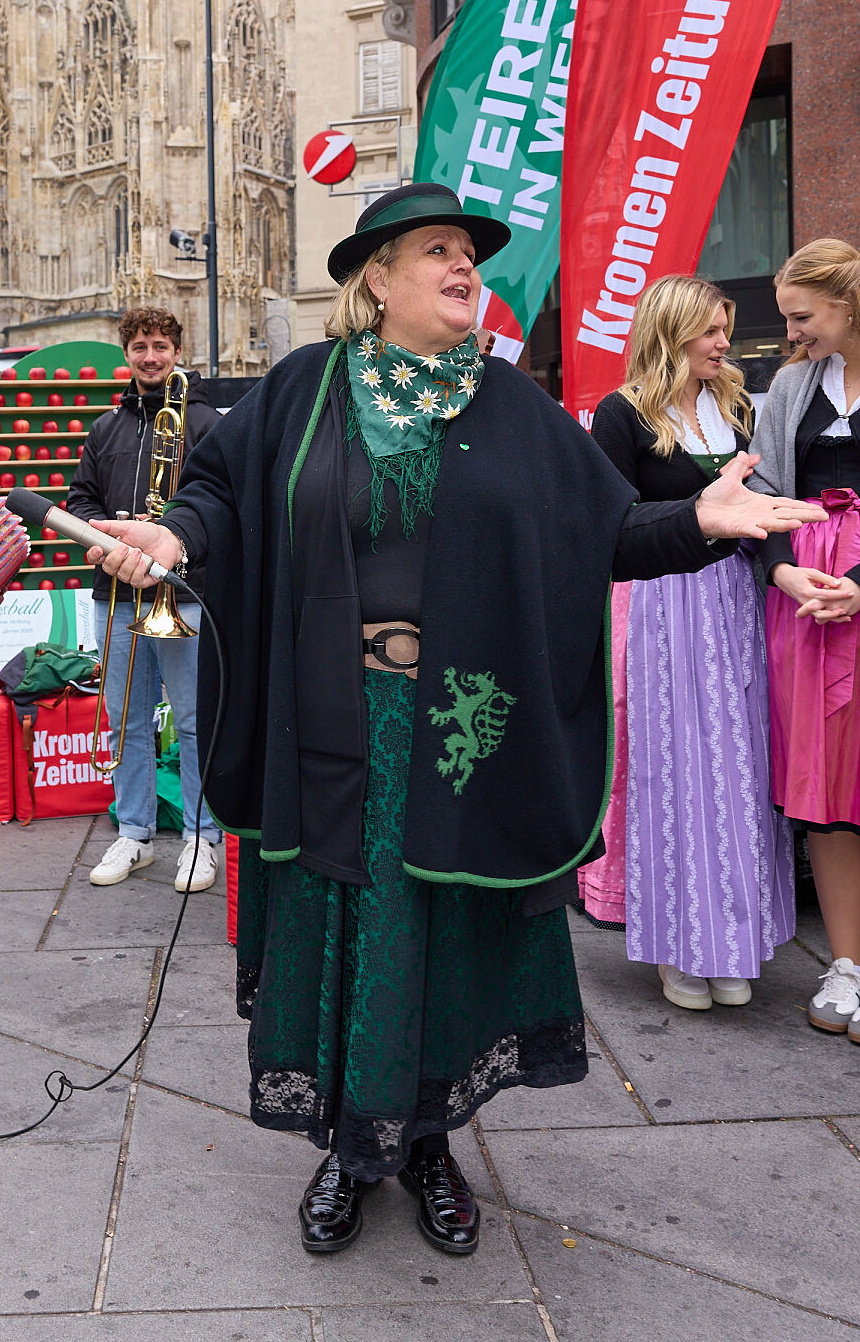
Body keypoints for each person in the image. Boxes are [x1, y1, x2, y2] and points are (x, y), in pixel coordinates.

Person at [88, 183, 822, 1258]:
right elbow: (219, 495)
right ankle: (348, 1148)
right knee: (345, 923)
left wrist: (701, 522)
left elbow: (605, 531)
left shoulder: (510, 404)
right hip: (334, 717)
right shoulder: (302, 390)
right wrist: (173, 540)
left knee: (440, 927)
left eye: (468, 253)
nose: (462, 265)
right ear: (376, 279)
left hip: (462, 723)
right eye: (435, 249)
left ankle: (427, 1143)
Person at [591, 276, 796, 1011]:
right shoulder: (621, 413)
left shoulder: (732, 406)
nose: (722, 344)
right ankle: (679, 945)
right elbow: (610, 521)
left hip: (735, 600)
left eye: (723, 330)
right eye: (710, 331)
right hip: (663, 602)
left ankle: (732, 941)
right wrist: (701, 511)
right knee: (674, 769)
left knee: (738, 768)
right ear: (671, 330)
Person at [67, 306, 223, 893]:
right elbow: (80, 500)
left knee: (192, 722)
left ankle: (201, 838)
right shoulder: (106, 428)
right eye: (140, 347)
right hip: (119, 596)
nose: (150, 357)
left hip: (185, 596)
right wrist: (107, 527)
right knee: (125, 722)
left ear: (177, 352)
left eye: (160, 346)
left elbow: (222, 512)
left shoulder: (206, 422)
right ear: (127, 355)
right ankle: (133, 831)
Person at [748, 240, 860, 1044]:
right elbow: (759, 493)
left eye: (801, 316)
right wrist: (782, 574)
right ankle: (847, 965)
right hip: (809, 609)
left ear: (847, 304)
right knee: (824, 797)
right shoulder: (791, 387)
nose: (790, 334)